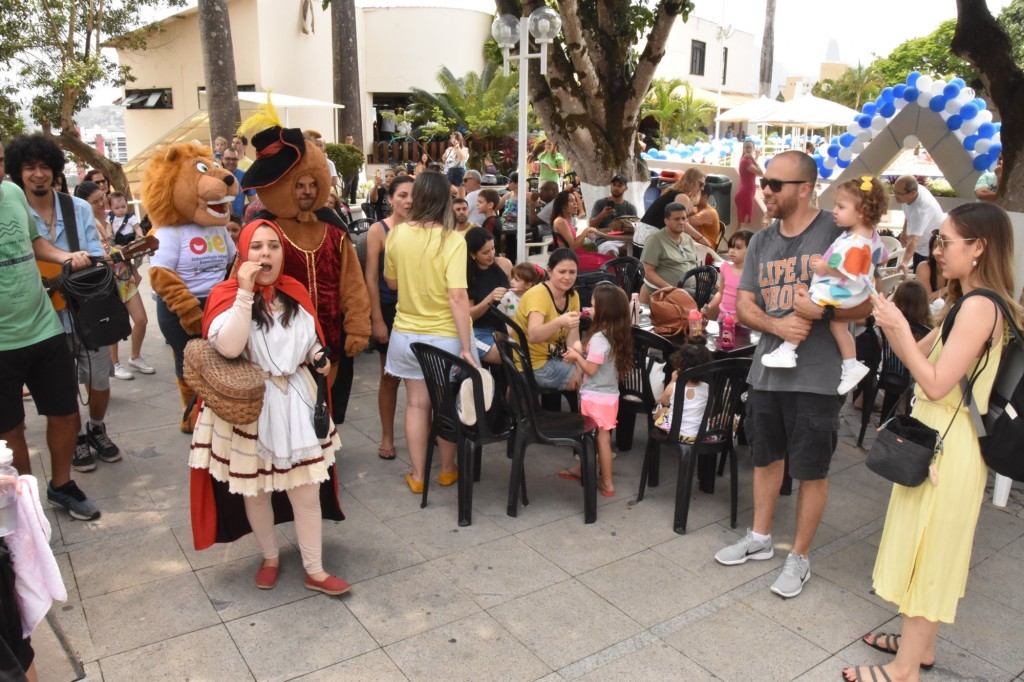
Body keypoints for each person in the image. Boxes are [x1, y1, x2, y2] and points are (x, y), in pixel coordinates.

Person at [844, 202, 1022, 682]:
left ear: (979, 247)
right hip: (941, 439)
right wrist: (894, 324)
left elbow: (936, 383)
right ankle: (919, 645)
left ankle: (904, 669)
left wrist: (900, 328)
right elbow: (918, 363)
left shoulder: (981, 306)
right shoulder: (969, 301)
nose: (936, 251)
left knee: (929, 551)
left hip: (950, 445)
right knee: (930, 547)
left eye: (946, 242)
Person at [714, 150, 872, 599]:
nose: (765, 190)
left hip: (818, 377)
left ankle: (798, 557)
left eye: (775, 184)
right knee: (765, 460)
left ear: (805, 189)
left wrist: (821, 312)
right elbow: (745, 304)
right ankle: (760, 538)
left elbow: (866, 303)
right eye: (764, 182)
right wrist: (779, 325)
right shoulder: (761, 241)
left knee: (811, 470)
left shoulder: (837, 231)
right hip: (767, 372)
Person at [188, 219, 349, 596]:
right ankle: (270, 556)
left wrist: (317, 355)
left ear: (282, 253)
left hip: (296, 400)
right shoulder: (226, 295)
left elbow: (308, 340)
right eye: (257, 246)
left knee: (306, 492)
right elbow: (228, 347)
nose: (265, 254)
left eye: (273, 246)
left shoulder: (294, 291)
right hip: (251, 407)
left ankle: (315, 569)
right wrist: (245, 292)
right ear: (244, 253)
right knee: (255, 492)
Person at [0, 136, 101, 521]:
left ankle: (62, 487)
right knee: (10, 431)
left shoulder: (11, 193)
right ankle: (26, 505)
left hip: (44, 328)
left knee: (65, 414)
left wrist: (66, 256)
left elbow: (35, 241)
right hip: (2, 343)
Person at [13, 138, 124, 480]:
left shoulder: (76, 208)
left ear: (55, 172)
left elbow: (94, 249)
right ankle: (75, 438)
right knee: (61, 388)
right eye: (29, 167)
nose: (38, 174)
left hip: (83, 307)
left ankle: (97, 426)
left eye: (44, 167)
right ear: (18, 172)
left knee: (99, 377)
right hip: (39, 317)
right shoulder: (13, 211)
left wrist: (90, 259)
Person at [382, 171, 476, 494]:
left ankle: (418, 475)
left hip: (406, 335)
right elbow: (457, 296)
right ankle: (447, 470)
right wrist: (467, 347)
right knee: (444, 403)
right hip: (444, 338)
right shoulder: (453, 240)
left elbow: (391, 284)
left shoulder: (397, 234)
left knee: (416, 405)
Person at [761, 176, 890, 395]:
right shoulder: (871, 236)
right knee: (838, 327)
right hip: (858, 291)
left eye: (841, 207)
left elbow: (846, 268)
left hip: (841, 290)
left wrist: (823, 267)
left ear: (860, 212)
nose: (835, 212)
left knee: (804, 307)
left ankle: (788, 349)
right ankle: (851, 366)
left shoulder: (853, 242)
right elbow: (883, 257)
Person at [75, 181, 153, 382]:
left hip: (123, 275)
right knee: (112, 323)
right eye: (95, 201)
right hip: (104, 283)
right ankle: (115, 363)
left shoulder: (108, 221)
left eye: (102, 198)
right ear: (83, 204)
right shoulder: (83, 224)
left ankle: (135, 357)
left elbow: (113, 249)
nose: (102, 203)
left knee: (141, 319)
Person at [559, 285, 632, 498]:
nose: (589, 308)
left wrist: (576, 357)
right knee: (601, 437)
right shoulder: (617, 334)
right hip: (610, 396)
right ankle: (584, 471)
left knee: (595, 438)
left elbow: (590, 369)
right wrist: (582, 351)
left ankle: (607, 483)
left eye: (592, 305)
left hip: (595, 396)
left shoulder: (600, 338)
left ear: (605, 310)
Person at [363, 175, 413, 461]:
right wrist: (377, 319)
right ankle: (387, 436)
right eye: (403, 195)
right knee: (390, 376)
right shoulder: (378, 230)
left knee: (421, 378)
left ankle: (422, 430)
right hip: (389, 307)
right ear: (391, 198)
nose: (408, 201)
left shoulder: (426, 228)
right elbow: (371, 277)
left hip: (419, 309)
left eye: (413, 196)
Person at [514, 248, 582, 391]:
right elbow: (534, 335)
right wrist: (559, 322)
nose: (567, 277)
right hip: (533, 364)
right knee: (592, 380)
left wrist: (578, 361)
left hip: (556, 357)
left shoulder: (573, 296)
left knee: (598, 368)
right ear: (549, 271)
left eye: (572, 272)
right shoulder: (539, 295)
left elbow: (573, 337)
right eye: (562, 272)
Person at [465, 227, 512, 364]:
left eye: (493, 248)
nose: (491, 254)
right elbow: (469, 316)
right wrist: (489, 299)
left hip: (504, 326)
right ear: (473, 254)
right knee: (509, 357)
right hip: (478, 331)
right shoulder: (468, 275)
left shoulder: (504, 264)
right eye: (485, 252)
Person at [637, 168, 711, 251]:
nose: (702, 189)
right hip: (651, 234)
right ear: (691, 181)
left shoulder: (672, 192)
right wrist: (701, 238)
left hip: (644, 232)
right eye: (701, 184)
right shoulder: (682, 197)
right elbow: (682, 223)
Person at [652, 341, 714, 440]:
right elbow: (709, 411)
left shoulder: (673, 387)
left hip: (675, 433)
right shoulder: (707, 388)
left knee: (661, 410)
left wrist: (672, 381)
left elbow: (664, 402)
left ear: (680, 366)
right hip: (699, 435)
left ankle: (656, 436)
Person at [639, 202, 698, 301]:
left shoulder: (687, 239)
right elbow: (648, 272)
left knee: (720, 296)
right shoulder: (655, 240)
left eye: (684, 218)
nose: (681, 222)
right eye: (676, 219)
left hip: (694, 287)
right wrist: (671, 289)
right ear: (666, 221)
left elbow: (693, 264)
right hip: (669, 293)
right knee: (713, 302)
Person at [549, 190, 615, 271]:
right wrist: (586, 231)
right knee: (610, 264)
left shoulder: (565, 220)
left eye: (575, 200)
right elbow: (572, 247)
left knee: (611, 260)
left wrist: (585, 235)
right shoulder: (560, 221)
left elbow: (572, 243)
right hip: (570, 259)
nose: (575, 203)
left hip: (573, 256)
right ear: (563, 205)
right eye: (571, 201)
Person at [893, 175, 944, 272]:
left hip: (929, 248)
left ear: (913, 193)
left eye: (899, 193)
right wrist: (904, 232)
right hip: (919, 246)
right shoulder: (912, 192)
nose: (895, 196)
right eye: (894, 191)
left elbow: (914, 240)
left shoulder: (921, 209)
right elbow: (909, 214)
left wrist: (904, 263)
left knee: (923, 277)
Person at [705, 230, 753, 320]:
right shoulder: (725, 268)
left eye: (738, 248)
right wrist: (710, 306)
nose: (732, 251)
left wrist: (740, 318)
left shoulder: (752, 274)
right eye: (731, 247)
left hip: (742, 322)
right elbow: (720, 292)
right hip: (723, 317)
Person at [735, 140, 764, 229]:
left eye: (750, 147)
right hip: (746, 195)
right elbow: (760, 172)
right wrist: (753, 159)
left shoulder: (744, 160)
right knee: (744, 226)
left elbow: (752, 168)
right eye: (746, 147)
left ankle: (732, 242)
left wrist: (756, 157)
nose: (748, 149)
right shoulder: (746, 161)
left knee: (740, 226)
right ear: (743, 149)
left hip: (743, 194)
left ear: (753, 149)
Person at [915, 233, 947, 303]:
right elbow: (926, 300)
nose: (938, 251)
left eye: (943, 246)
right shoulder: (924, 267)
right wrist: (946, 290)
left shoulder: (957, 268)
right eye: (935, 246)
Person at [221, 149, 253, 217]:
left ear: (238, 160)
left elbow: (253, 202)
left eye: (234, 159)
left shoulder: (245, 176)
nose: (231, 162)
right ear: (222, 159)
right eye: (228, 159)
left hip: (239, 222)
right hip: (219, 222)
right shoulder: (215, 176)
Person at [689, 184, 721, 248]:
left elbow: (684, 222)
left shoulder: (708, 212)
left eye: (696, 194)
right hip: (697, 246)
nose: (693, 196)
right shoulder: (696, 209)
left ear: (705, 196)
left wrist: (689, 202)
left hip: (706, 250)